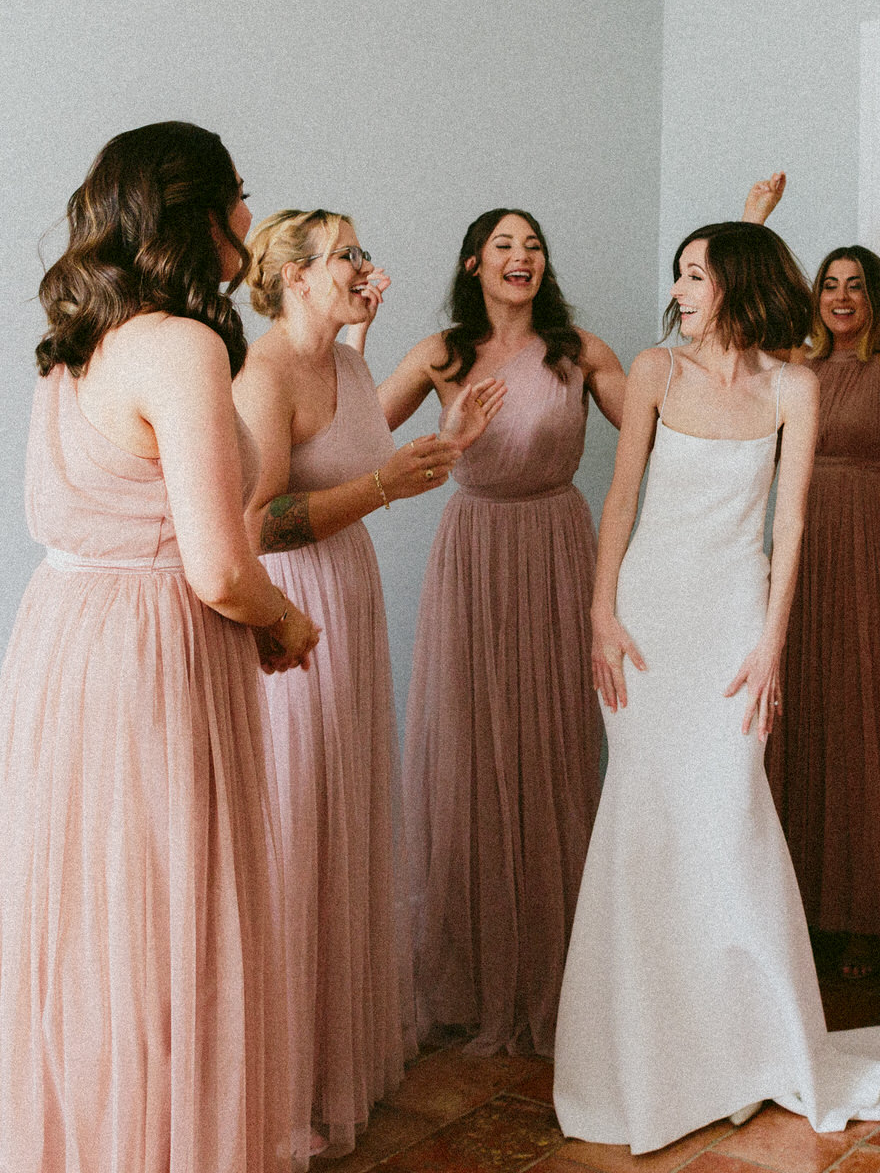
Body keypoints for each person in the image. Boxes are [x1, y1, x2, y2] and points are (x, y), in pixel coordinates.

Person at [552, 222, 880, 1155]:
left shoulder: (796, 386)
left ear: (735, 283)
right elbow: (621, 499)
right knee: (647, 815)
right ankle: (643, 1052)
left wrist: (774, 644)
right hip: (649, 618)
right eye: (680, 272)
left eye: (696, 272)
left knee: (731, 815)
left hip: (735, 622)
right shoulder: (656, 372)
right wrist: (600, 612)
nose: (681, 285)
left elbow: (789, 527)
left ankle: (747, 1045)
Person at [0, 122, 319, 1173]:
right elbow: (217, 564)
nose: (250, 212)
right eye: (240, 195)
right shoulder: (184, 345)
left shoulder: (78, 345)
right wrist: (287, 620)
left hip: (64, 644)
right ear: (203, 211)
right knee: (171, 934)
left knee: (85, 933)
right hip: (154, 655)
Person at [234, 208, 497, 1163]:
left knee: (344, 821)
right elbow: (256, 524)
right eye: (348, 254)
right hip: (289, 610)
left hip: (349, 593)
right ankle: (277, 1082)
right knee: (294, 828)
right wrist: (390, 488)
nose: (368, 266)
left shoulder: (344, 362)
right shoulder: (261, 377)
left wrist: (443, 444)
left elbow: (361, 456)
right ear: (296, 276)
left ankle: (332, 1058)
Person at [367, 207, 628, 1057]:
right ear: (474, 262)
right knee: (471, 751)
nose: (522, 257)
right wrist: (440, 433)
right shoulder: (442, 353)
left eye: (535, 245)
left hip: (557, 549)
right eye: (505, 246)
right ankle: (471, 976)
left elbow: (664, 425)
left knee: (551, 744)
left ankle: (561, 969)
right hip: (473, 552)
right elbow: (355, 444)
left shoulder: (578, 351)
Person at [739, 173, 880, 983]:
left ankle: (874, 917)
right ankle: (805, 904)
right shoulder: (795, 367)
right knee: (805, 711)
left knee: (870, 711)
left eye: (857, 285)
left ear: (876, 299)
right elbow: (739, 325)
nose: (842, 296)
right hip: (804, 549)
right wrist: (753, 223)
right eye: (829, 284)